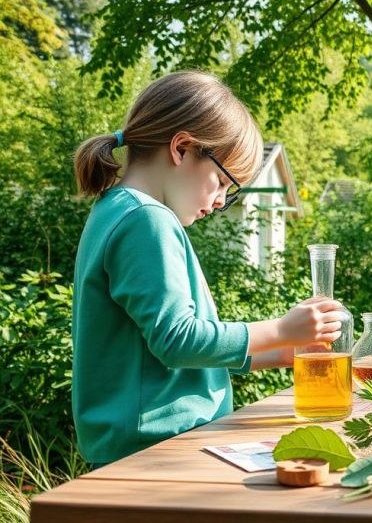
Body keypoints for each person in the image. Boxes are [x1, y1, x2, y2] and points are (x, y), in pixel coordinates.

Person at [71, 71, 345, 466]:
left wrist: (278, 351)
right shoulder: (146, 219)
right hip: (156, 453)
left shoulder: (116, 210)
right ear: (181, 148)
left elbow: (158, 353)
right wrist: (282, 328)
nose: (220, 201)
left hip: (146, 449)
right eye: (221, 181)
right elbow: (177, 341)